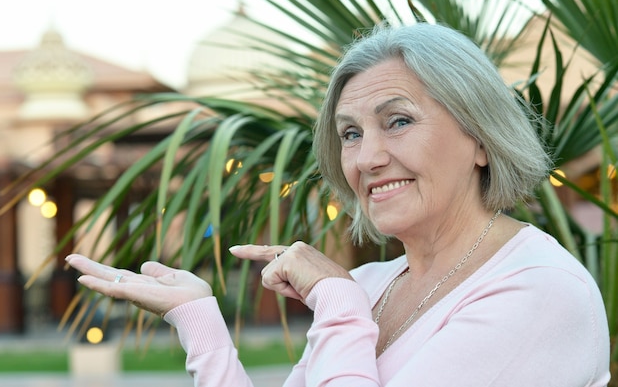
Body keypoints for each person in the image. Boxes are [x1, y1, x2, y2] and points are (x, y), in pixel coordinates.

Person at [65, 23, 610, 386]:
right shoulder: (371, 285)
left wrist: (335, 299)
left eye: (398, 121)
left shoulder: (540, 291)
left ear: (481, 139)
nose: (366, 158)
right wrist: (198, 319)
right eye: (350, 134)